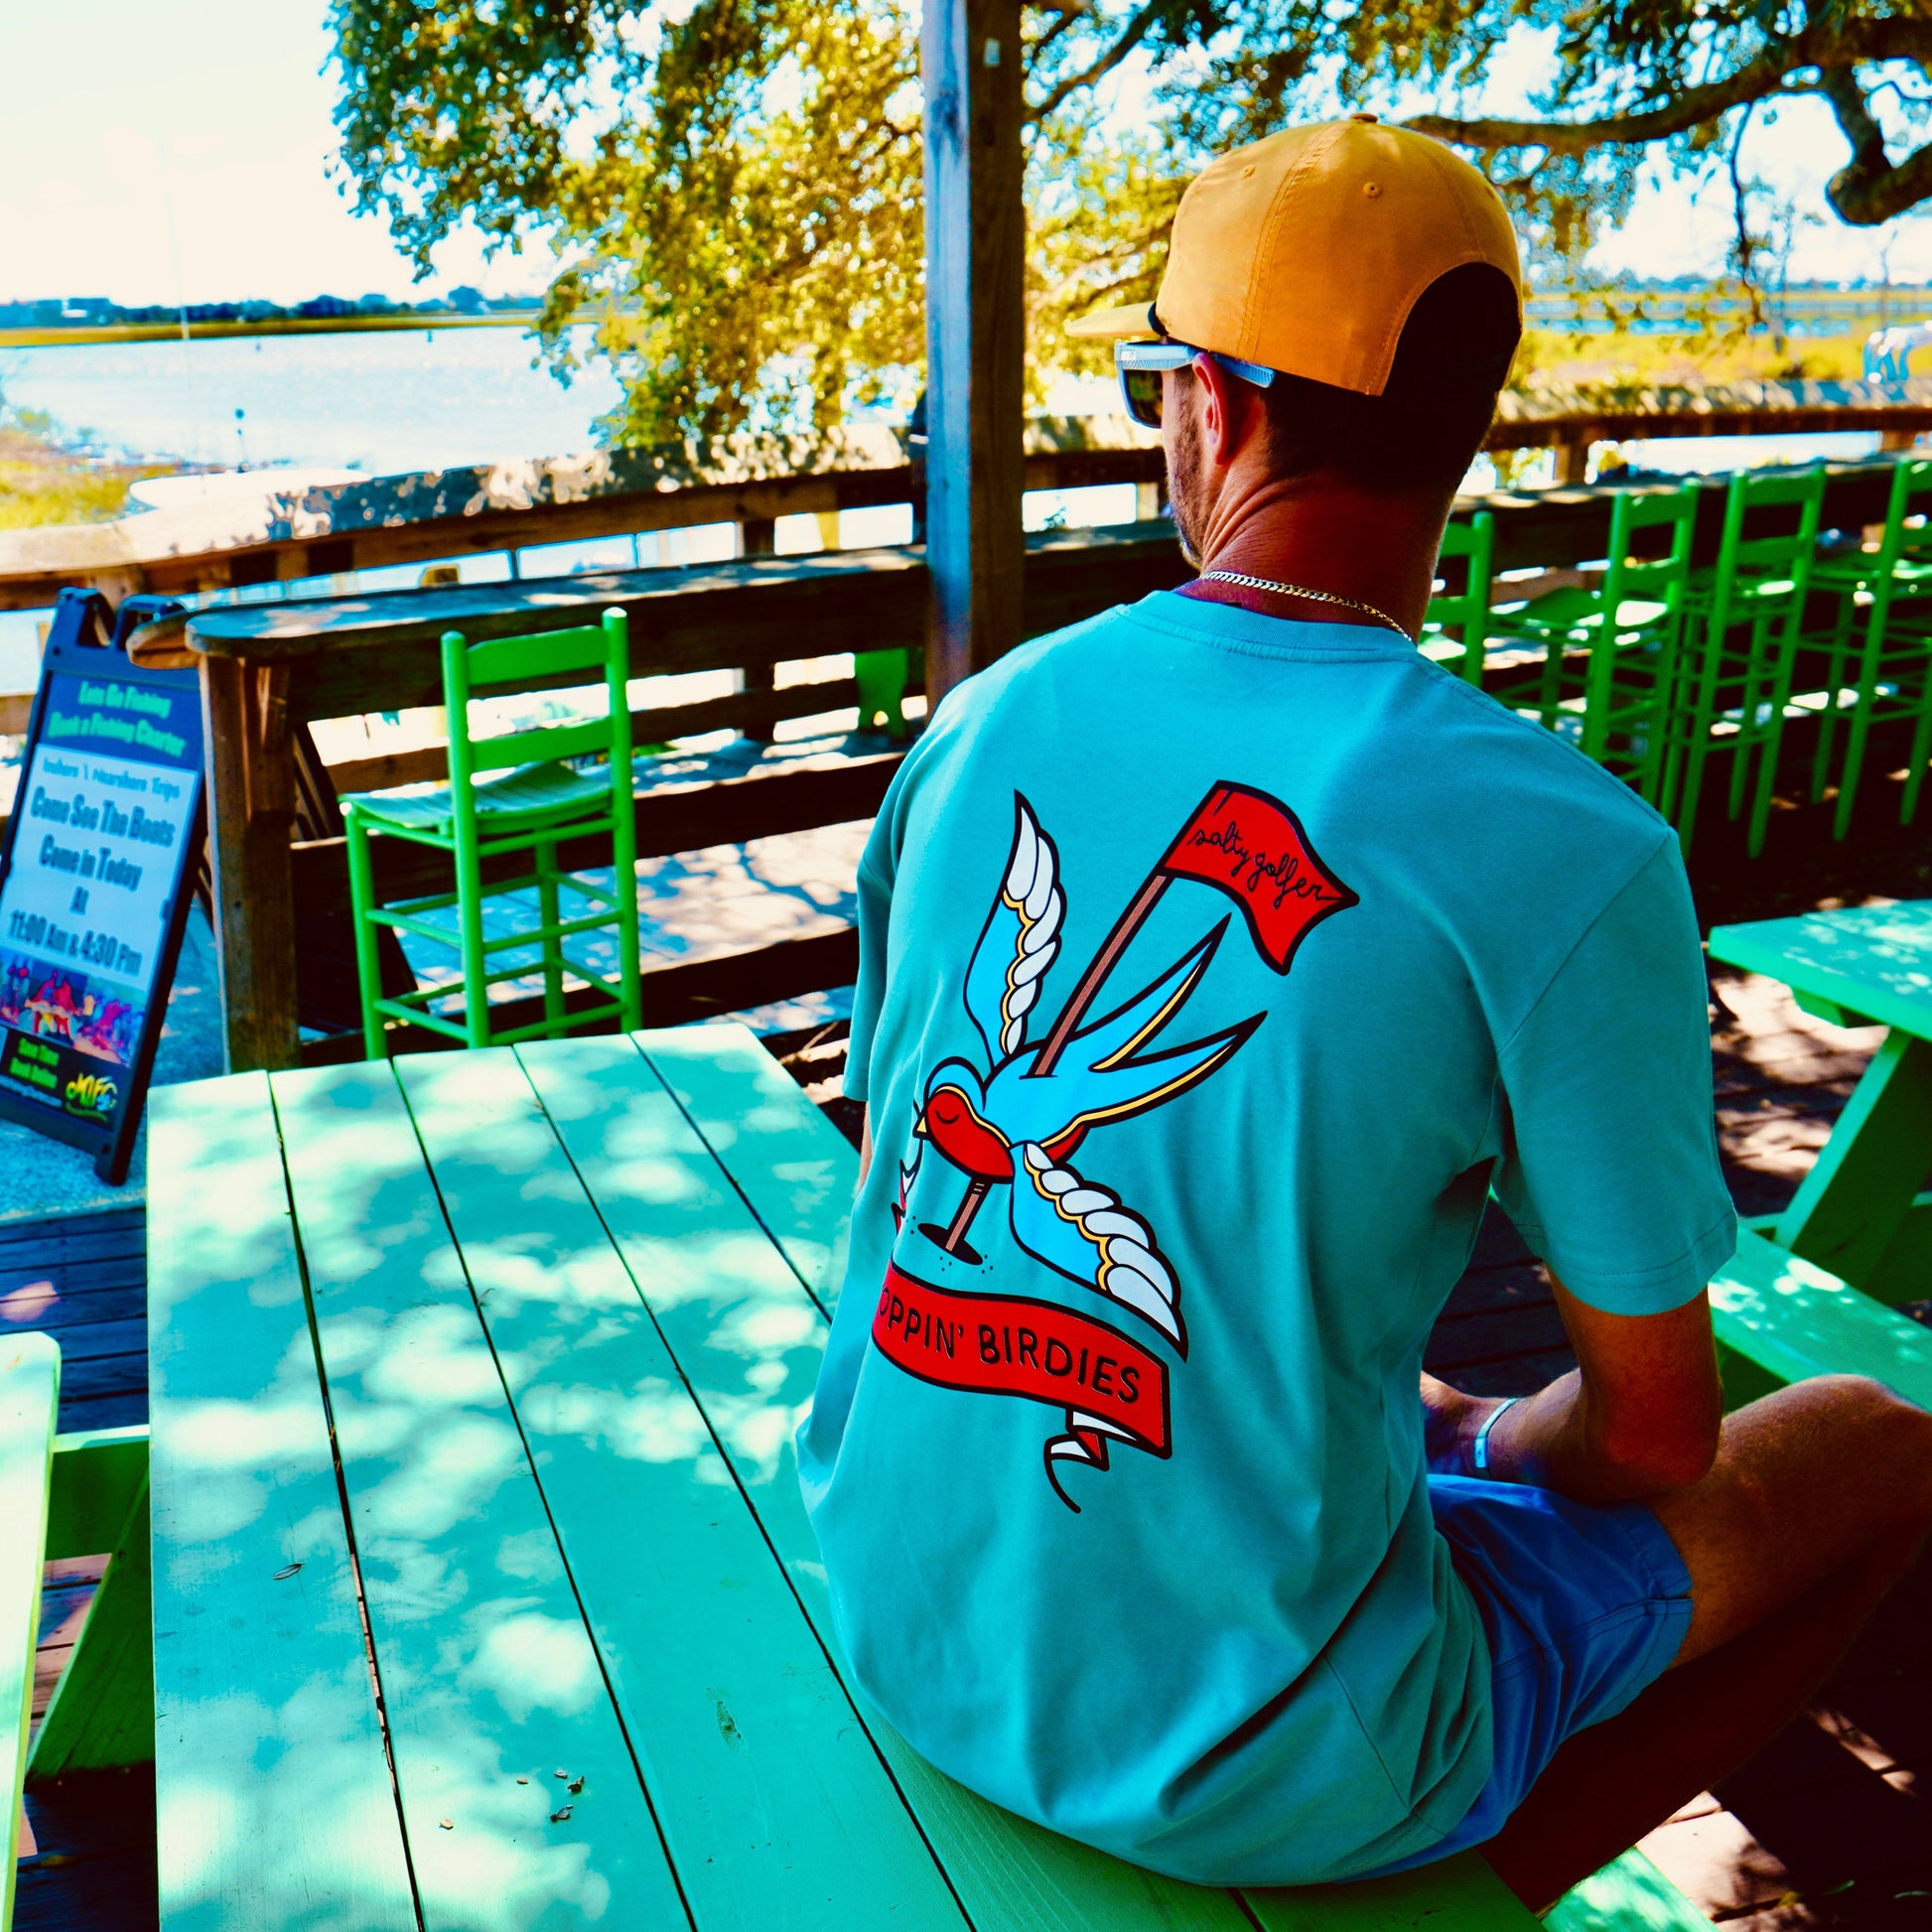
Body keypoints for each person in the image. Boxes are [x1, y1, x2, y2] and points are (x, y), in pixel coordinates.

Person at [796, 116, 1932, 1909]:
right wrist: (1481, 1430)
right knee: (1880, 1446)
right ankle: (1476, 1874)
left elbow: (896, 1162)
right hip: (1263, 1775)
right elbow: (1649, 1436)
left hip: (894, 1611)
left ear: (1214, 410)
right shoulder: (1563, 844)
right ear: (1454, 434)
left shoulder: (981, 723)